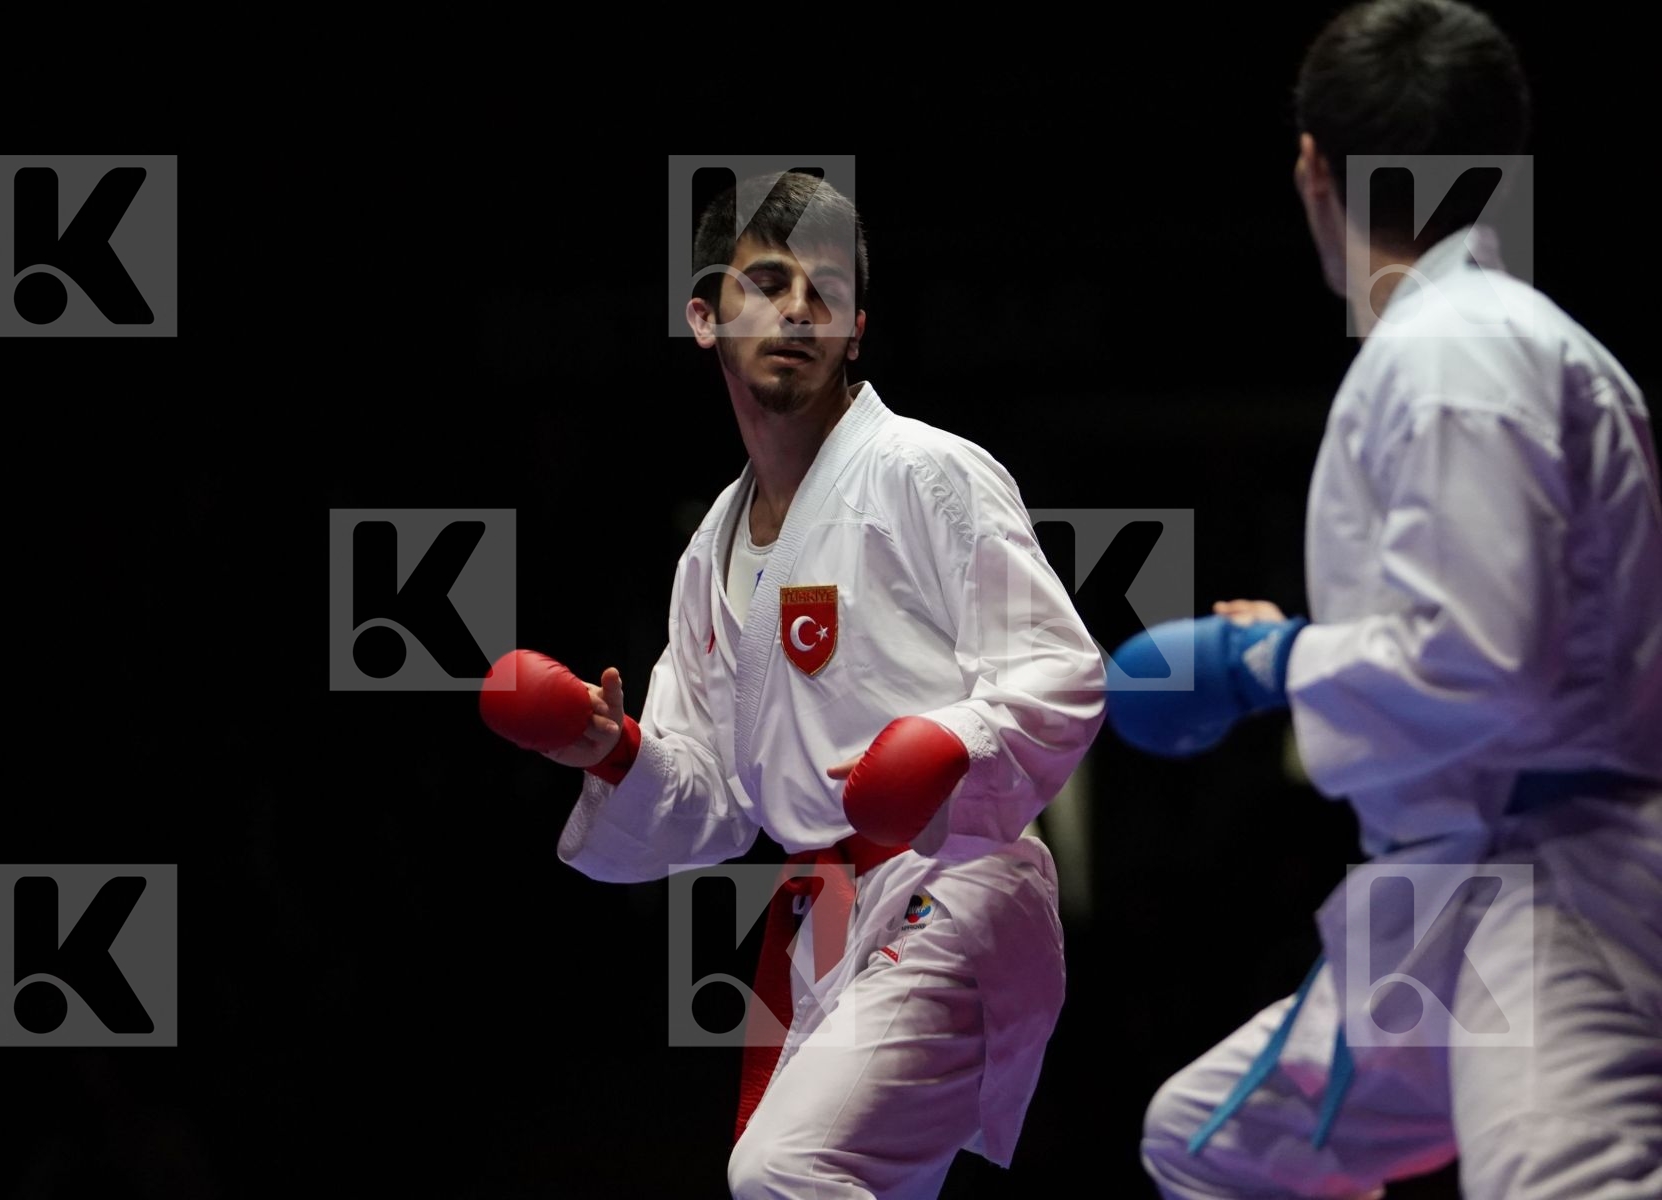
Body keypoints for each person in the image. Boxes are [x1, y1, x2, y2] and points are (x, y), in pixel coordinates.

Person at [1107, 2, 1662, 1197]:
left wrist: (1269, 664)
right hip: (1457, 881)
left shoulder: (1458, 347)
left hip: (1549, 884)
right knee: (1212, 1147)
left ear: (1314, 167)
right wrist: (1297, 652)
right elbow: (1475, 637)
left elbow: (1490, 662)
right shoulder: (1482, 338)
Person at [481, 170, 1105, 1198]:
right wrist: (611, 748)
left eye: (827, 290)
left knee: (783, 1171)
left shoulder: (926, 471)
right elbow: (716, 797)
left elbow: (1059, 669)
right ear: (704, 315)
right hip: (825, 921)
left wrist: (949, 745)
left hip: (954, 886)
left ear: (857, 328)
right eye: (768, 282)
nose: (798, 310)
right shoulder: (709, 556)